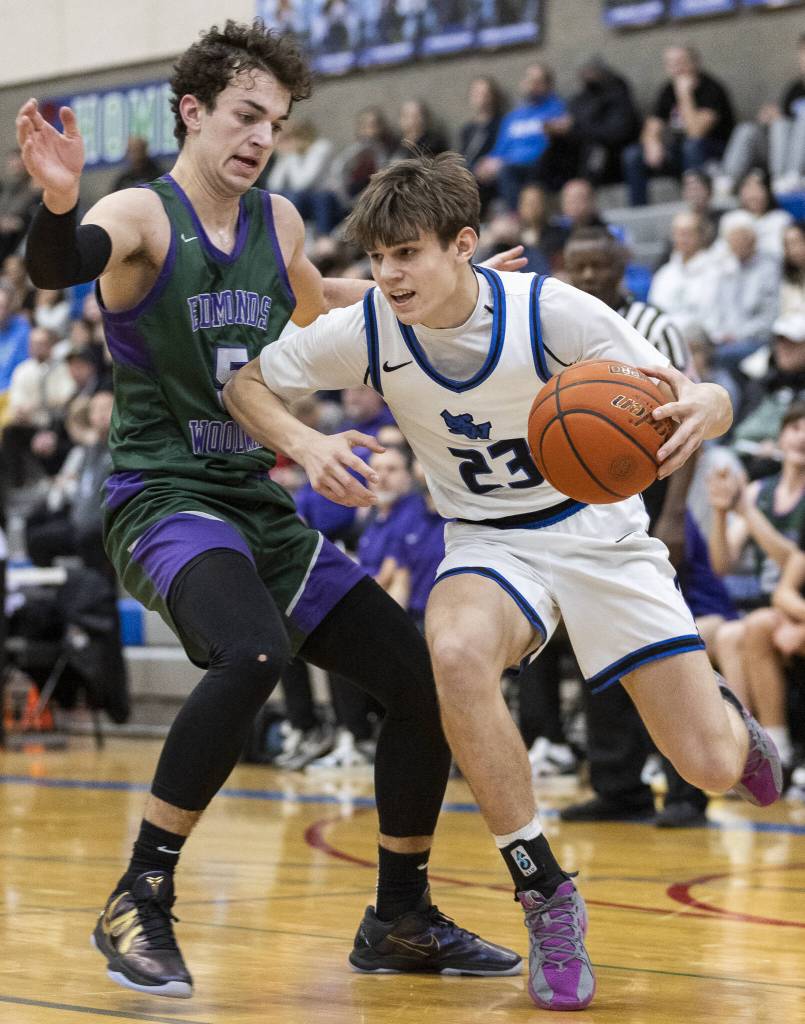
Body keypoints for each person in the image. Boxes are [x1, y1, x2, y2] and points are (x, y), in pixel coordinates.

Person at [18, 20, 525, 1000]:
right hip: (161, 497)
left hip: (252, 501)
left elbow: (318, 302)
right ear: (193, 112)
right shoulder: (142, 215)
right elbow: (59, 263)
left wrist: (447, 291)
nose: (260, 136)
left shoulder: (280, 221)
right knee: (252, 652)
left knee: (419, 680)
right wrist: (51, 199)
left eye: (277, 123)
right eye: (245, 115)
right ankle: (141, 893)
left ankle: (401, 916)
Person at [225, 152, 784, 1012]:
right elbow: (247, 380)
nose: (388, 275)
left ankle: (732, 731)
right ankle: (543, 892)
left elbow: (684, 389)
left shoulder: (548, 310)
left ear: (463, 246)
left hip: (598, 535)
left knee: (706, 765)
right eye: (376, 258)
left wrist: (708, 403)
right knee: (449, 652)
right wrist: (304, 444)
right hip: (489, 542)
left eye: (406, 253)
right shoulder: (371, 326)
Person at [622, 45, 735, 207]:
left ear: (695, 63)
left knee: (692, 146)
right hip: (678, 152)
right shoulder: (667, 90)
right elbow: (651, 127)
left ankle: (695, 203)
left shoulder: (711, 88)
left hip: (713, 151)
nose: (677, 68)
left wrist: (684, 95)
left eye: (681, 62)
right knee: (633, 154)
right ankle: (639, 209)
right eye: (671, 64)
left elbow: (695, 132)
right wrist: (651, 143)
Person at [475, 62, 568, 209]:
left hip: (538, 168)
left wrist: (503, 162)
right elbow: (499, 150)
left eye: (538, 81)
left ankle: (515, 217)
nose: (532, 85)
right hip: (509, 166)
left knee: (507, 172)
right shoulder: (512, 117)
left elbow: (546, 150)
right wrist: (488, 162)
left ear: (548, 86)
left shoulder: (556, 110)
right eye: (529, 80)